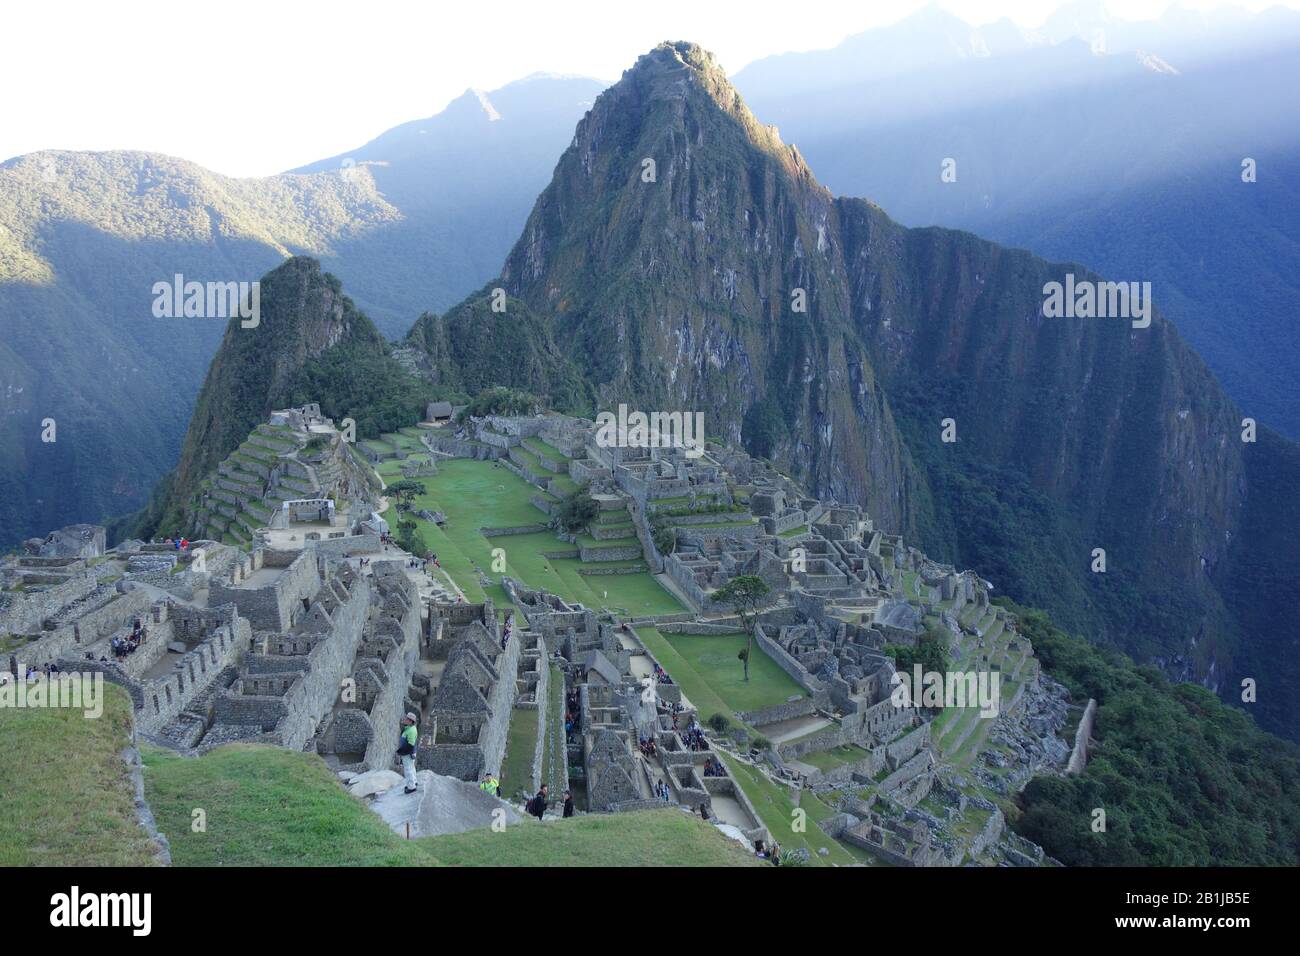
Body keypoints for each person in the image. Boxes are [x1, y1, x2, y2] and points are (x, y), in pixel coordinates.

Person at [397, 713, 419, 794]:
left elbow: (410, 745)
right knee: (412, 768)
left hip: (407, 753)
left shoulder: (411, 731)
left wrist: (400, 751)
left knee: (408, 770)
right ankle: (414, 782)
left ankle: (411, 787)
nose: (405, 720)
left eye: (406, 719)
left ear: (410, 721)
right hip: (410, 753)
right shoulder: (410, 728)